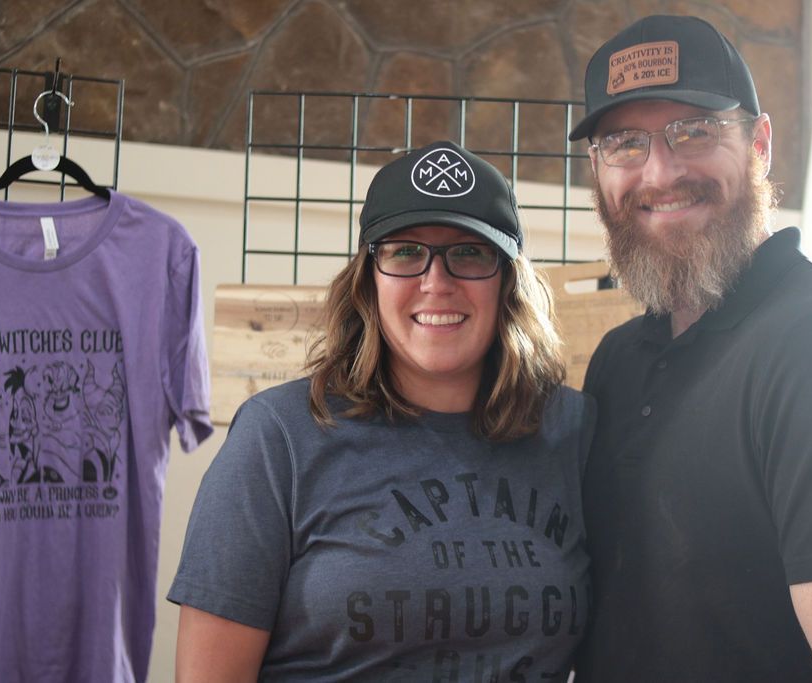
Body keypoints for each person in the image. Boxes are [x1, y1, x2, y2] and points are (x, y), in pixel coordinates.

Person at [569, 14, 812, 682]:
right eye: (624, 143)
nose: (660, 172)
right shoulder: (616, 358)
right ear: (598, 170)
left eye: (694, 130)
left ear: (761, 144)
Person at [168, 140, 596, 682]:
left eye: (469, 252)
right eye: (404, 251)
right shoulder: (279, 437)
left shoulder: (572, 430)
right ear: (369, 279)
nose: (436, 282)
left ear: (508, 281)